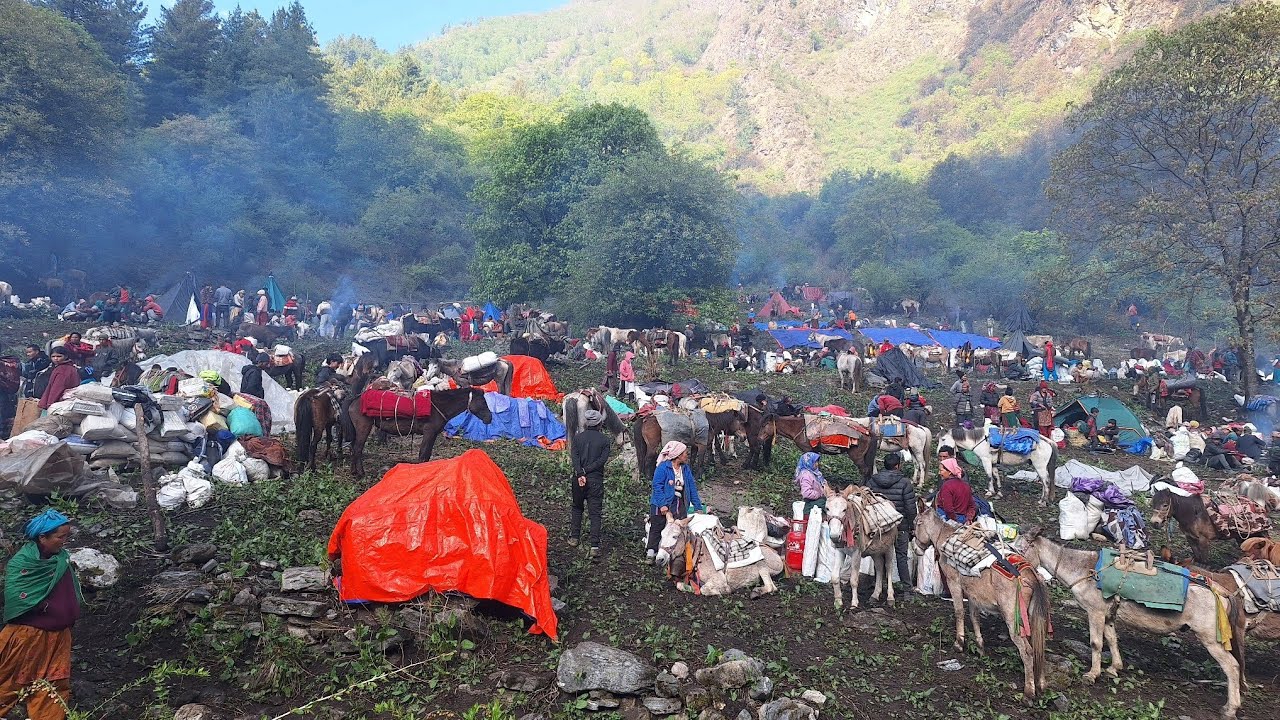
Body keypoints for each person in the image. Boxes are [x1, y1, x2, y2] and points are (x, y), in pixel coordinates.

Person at [1, 509, 81, 720]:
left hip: (59, 636)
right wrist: (45, 607)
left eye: (66, 536)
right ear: (42, 537)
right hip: (29, 635)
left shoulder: (61, 558)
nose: (64, 541)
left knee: (54, 682)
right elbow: (17, 596)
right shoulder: (22, 563)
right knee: (11, 678)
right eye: (60, 537)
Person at [646, 441, 705, 561]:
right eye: (685, 453)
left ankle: (676, 554)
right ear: (678, 455)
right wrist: (662, 505)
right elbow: (657, 486)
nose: (687, 455)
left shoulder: (685, 469)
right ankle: (651, 552)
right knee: (657, 526)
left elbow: (691, 487)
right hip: (661, 501)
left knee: (677, 529)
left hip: (678, 502)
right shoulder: (663, 467)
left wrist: (698, 506)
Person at [867, 453, 917, 587]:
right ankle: (906, 588)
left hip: (879, 526)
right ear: (898, 466)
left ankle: (878, 584)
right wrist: (912, 526)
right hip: (900, 525)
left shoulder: (872, 481)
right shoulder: (905, 483)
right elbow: (910, 508)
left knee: (878, 554)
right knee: (901, 556)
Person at [569, 410, 611, 557]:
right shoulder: (605, 441)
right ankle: (594, 545)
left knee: (577, 508)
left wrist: (580, 473)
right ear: (599, 424)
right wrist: (586, 471)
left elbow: (574, 457)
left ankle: (574, 538)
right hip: (595, 480)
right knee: (595, 513)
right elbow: (601, 461)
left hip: (578, 479)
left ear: (586, 423)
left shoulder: (577, 438)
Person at [936, 458, 976, 524]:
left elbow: (948, 509)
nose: (939, 473)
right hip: (962, 519)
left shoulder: (947, 486)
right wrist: (968, 519)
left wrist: (954, 521)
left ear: (949, 472)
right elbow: (972, 506)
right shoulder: (966, 485)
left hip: (949, 518)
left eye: (941, 470)